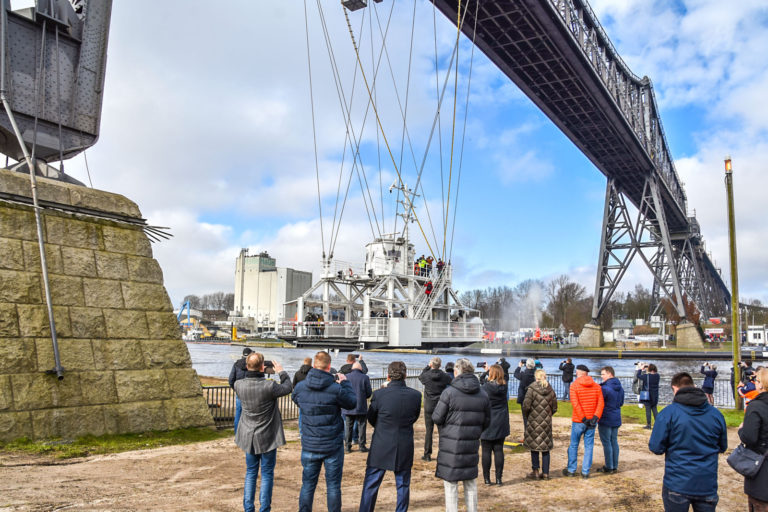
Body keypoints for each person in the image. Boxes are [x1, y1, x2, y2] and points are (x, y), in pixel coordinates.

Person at [649, 372, 727, 512]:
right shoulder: (716, 415)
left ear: (675, 388)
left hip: (678, 482)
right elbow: (723, 446)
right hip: (706, 483)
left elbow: (656, 447)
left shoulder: (669, 413)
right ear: (694, 386)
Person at [292, 351, 357, 512]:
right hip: (332, 445)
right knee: (333, 486)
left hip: (310, 443)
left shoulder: (301, 387)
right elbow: (352, 403)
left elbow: (295, 398)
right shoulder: (335, 389)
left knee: (307, 484)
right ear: (329, 367)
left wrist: (308, 407)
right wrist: (345, 383)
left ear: (315, 365)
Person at [359, 361, 422, 512]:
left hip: (381, 443)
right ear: (405, 375)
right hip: (403, 443)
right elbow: (414, 417)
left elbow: (371, 417)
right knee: (403, 485)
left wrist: (383, 427)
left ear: (388, 376)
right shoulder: (416, 395)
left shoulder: (380, 394)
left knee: (371, 484)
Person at [234, 352, 292, 512]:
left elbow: (236, 379)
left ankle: (248, 508)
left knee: (251, 472)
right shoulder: (269, 386)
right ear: (262, 368)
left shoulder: (239, 385)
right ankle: (264, 509)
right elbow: (287, 387)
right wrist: (281, 371)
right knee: (266, 473)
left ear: (247, 367)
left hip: (248, 436)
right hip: (268, 436)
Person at [433, 358, 491, 512]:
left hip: (451, 444)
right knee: (470, 482)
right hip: (471, 443)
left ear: (457, 372)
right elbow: (486, 421)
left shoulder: (449, 393)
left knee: (451, 484)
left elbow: (437, 417)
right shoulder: (483, 394)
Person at [563, 364, 604, 478]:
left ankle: (571, 469)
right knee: (589, 445)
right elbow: (601, 403)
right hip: (592, 420)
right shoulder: (596, 386)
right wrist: (595, 417)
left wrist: (583, 418)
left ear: (578, 373)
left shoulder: (574, 386)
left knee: (574, 445)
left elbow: (575, 404)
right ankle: (585, 471)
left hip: (579, 420)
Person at [738, 367, 768, 511]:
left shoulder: (756, 406)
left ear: (761, 384)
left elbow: (749, 437)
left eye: (756, 380)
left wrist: (741, 430)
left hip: (761, 467)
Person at [522, 369, 557, 480]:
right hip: (546, 422)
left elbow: (526, 406)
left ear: (535, 377)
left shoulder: (531, 389)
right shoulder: (551, 390)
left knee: (534, 447)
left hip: (533, 421)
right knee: (545, 448)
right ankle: (546, 473)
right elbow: (555, 407)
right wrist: (548, 415)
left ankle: (535, 471)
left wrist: (529, 416)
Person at [479, 364, 510, 485]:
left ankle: (487, 479)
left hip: (487, 420)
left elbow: (481, 382)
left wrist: (487, 372)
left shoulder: (486, 387)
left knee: (486, 451)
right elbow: (504, 377)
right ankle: (498, 478)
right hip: (500, 420)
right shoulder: (504, 387)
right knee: (498, 450)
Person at [418, 357, 452, 462]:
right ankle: (443, 453)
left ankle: (427, 454)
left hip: (429, 405)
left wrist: (428, 366)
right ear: (440, 365)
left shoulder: (426, 376)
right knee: (442, 430)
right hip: (440, 405)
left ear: (432, 365)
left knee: (429, 430)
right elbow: (450, 381)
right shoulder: (444, 376)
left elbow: (420, 376)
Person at [597, 366, 624, 474]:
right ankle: (614, 465)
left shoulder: (605, 388)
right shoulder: (620, 388)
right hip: (616, 416)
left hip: (606, 417)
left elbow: (600, 403)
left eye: (603, 374)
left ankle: (609, 466)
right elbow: (621, 403)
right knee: (614, 441)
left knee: (607, 442)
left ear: (609, 374)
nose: (601, 376)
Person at [342, 361, 372, 453]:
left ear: (352, 368)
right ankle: (362, 446)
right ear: (360, 369)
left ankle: (347, 446)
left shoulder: (346, 376)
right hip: (361, 406)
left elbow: (343, 391)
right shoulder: (365, 377)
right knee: (362, 426)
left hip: (348, 406)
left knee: (348, 427)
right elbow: (369, 393)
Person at [229, 347, 253, 434]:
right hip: (250, 393)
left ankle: (237, 434)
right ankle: (248, 433)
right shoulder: (251, 364)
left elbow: (231, 379)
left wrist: (236, 389)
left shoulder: (236, 364)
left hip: (239, 392)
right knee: (250, 414)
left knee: (238, 413)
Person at [514, 359, 536, 429]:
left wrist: (519, 366)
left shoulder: (523, 374)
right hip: (533, 398)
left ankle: (527, 435)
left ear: (526, 365)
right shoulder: (535, 374)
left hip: (524, 398)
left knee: (525, 417)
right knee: (533, 417)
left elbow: (515, 374)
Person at [638, 363, 660, 429]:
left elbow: (638, 376)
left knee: (648, 410)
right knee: (654, 409)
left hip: (647, 395)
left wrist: (641, 369)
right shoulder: (657, 376)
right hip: (655, 395)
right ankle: (658, 424)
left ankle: (649, 425)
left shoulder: (646, 376)